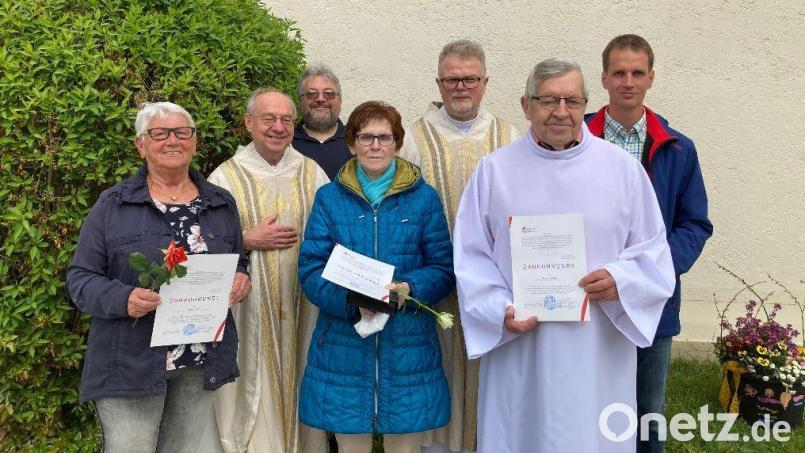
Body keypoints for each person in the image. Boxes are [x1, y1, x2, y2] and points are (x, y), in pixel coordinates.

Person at [453, 59, 676, 452]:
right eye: (548, 100)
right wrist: (497, 308)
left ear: (585, 105)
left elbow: (652, 250)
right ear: (526, 106)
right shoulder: (494, 172)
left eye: (572, 101)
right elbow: (472, 254)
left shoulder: (622, 170)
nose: (561, 111)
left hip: (597, 346)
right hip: (521, 345)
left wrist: (620, 280)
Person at [66, 102, 251, 453]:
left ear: (194, 142)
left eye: (182, 132)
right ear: (141, 145)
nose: (172, 140)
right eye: (160, 133)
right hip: (130, 361)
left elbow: (237, 259)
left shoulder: (220, 203)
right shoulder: (113, 205)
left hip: (200, 357)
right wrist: (124, 298)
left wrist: (241, 277)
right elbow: (80, 278)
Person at [297, 101, 455, 453]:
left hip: (408, 348)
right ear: (351, 143)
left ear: (397, 144)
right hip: (343, 347)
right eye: (366, 137)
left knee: (404, 447)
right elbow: (310, 269)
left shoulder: (423, 199)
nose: (375, 146)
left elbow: (443, 268)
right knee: (351, 447)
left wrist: (409, 288)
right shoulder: (329, 198)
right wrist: (352, 302)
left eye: (385, 137)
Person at [585, 34, 713, 453]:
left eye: (637, 73)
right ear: (604, 77)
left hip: (652, 301)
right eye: (619, 72)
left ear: (651, 78)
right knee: (584, 402)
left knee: (647, 412)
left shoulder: (678, 149)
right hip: (587, 296)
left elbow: (694, 224)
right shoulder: (574, 138)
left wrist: (648, 274)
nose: (628, 81)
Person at [398, 39, 518, 453]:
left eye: (470, 79)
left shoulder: (508, 135)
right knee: (438, 367)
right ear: (438, 83)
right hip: (434, 281)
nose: (461, 87)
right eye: (452, 80)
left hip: (493, 281)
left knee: (491, 369)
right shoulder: (413, 138)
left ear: (485, 83)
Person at [207, 88, 329, 453]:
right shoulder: (225, 178)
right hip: (249, 309)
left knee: (305, 376)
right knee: (254, 387)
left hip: (305, 304)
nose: (278, 127)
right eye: (268, 119)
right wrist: (245, 239)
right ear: (248, 123)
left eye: (286, 120)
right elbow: (202, 244)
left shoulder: (312, 172)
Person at [293, 65, 352, 180]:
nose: (320, 99)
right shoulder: (286, 143)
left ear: (340, 101)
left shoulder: (357, 141)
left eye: (328, 93)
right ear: (300, 101)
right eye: (311, 94)